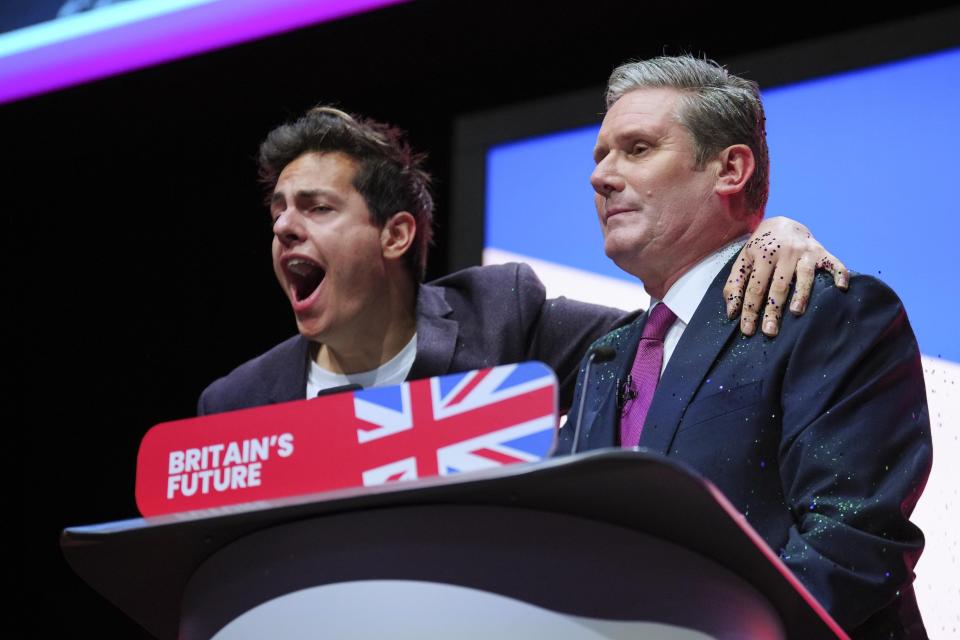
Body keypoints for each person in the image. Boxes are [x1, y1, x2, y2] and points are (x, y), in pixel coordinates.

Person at [555, 55, 931, 638]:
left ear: (730, 168)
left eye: (637, 149)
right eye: (601, 154)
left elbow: (854, 540)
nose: (600, 176)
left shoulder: (825, 312)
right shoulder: (606, 360)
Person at [198, 106, 846, 417]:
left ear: (395, 235)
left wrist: (767, 236)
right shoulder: (234, 403)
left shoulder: (502, 318)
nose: (284, 226)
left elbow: (669, 336)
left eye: (315, 208)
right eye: (279, 209)